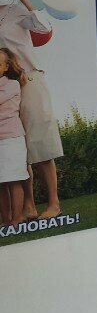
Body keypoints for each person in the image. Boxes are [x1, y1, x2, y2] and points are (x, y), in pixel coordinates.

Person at [0, 0, 62, 219]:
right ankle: (29, 206)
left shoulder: (14, 10)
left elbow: (44, 28)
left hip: (29, 78)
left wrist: (26, 0)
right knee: (17, 146)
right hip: (5, 86)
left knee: (41, 142)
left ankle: (54, 203)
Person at [0, 47, 29, 229]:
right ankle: (6, 220)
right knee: (1, 183)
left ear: (6, 67)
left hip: (11, 139)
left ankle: (18, 217)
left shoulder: (12, 84)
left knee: (13, 179)